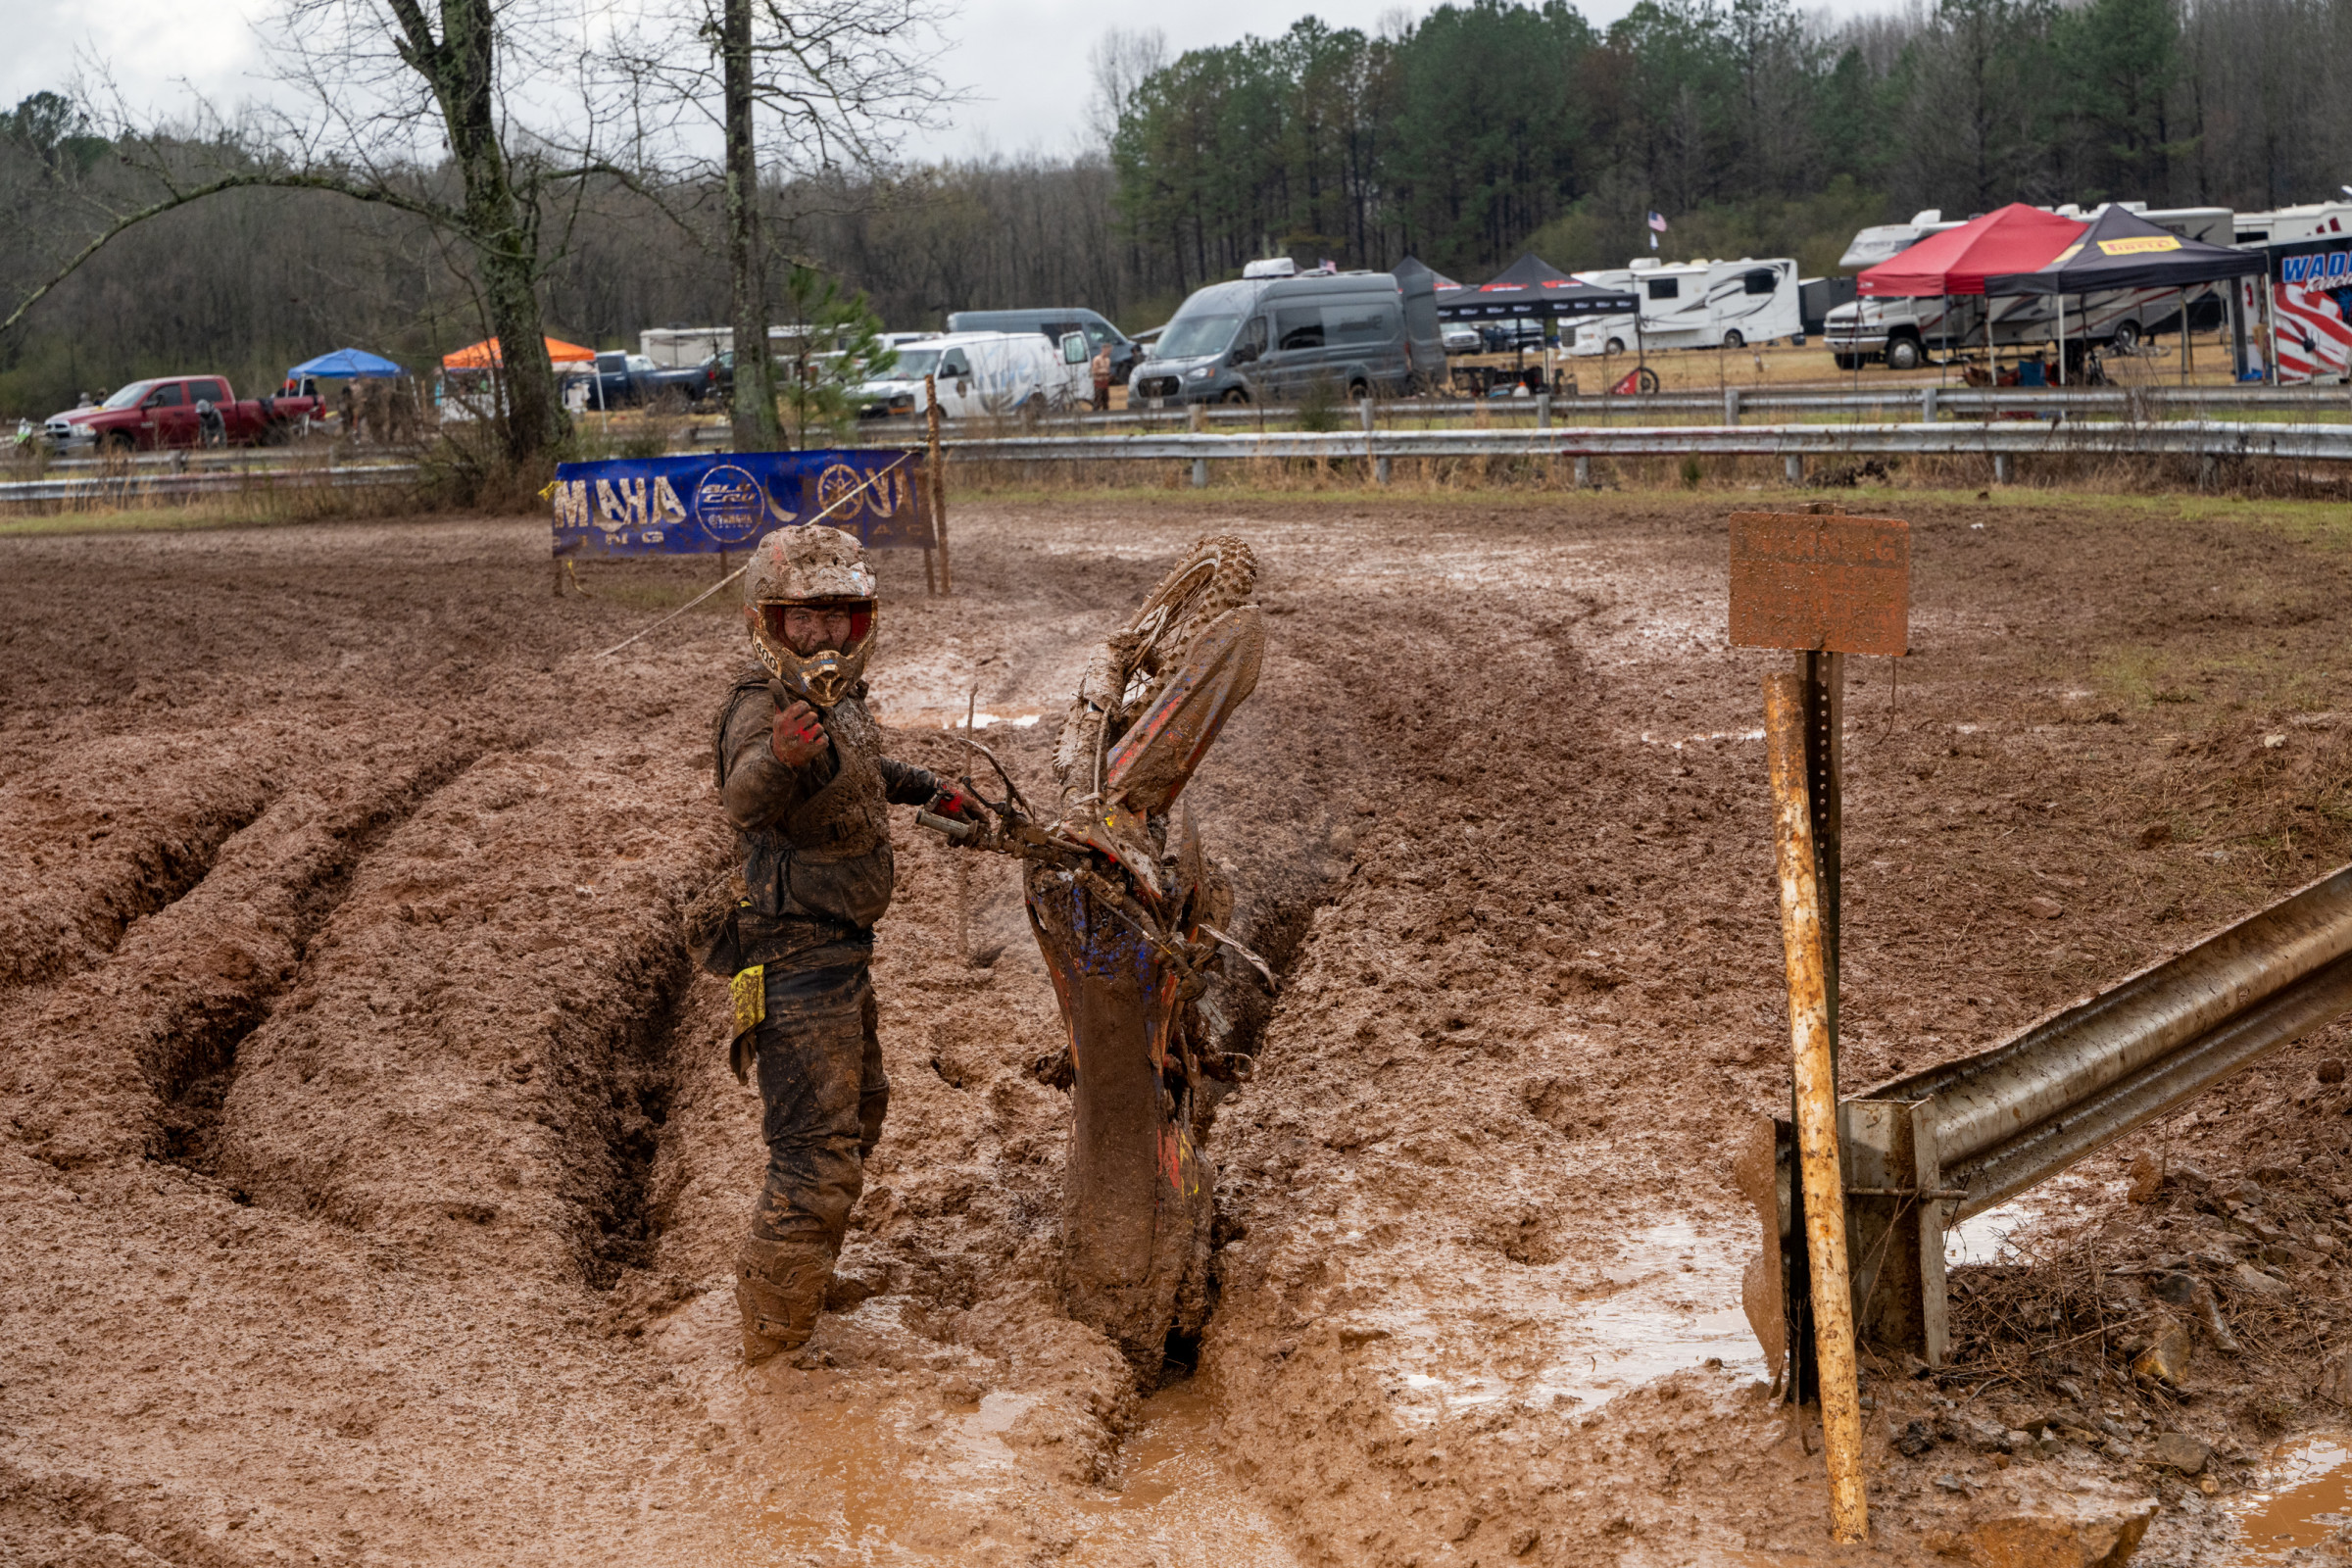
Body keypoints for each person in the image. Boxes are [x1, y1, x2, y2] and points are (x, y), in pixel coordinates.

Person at [699, 524, 982, 1362]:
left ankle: (800, 1281)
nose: (822, 635)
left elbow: (866, 772)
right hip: (793, 961)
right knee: (814, 1160)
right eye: (804, 621)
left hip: (841, 954)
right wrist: (782, 759)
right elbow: (745, 799)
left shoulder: (843, 707)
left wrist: (934, 790)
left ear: (859, 625)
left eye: (838, 619)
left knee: (858, 1115)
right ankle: (775, 1352)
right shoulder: (762, 708)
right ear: (770, 624)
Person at [1090, 342, 1113, 413]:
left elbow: (1108, 371)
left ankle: (1105, 418)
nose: (1109, 352)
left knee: (1106, 401)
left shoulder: (1108, 360)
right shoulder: (1097, 359)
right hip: (1098, 383)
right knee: (1098, 402)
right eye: (1109, 350)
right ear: (1104, 349)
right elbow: (1094, 371)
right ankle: (1094, 419)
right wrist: (1103, 372)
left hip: (1105, 383)